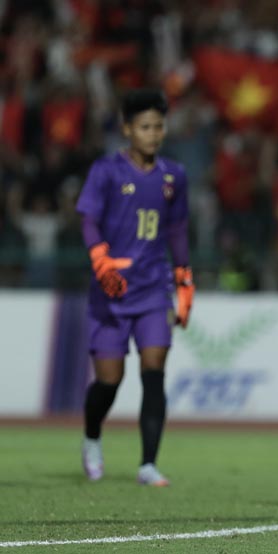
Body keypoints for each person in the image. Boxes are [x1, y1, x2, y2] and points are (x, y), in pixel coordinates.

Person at [77, 89, 194, 487]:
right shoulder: (106, 171)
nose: (153, 133)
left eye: (159, 126)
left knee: (154, 368)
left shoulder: (173, 175)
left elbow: (177, 230)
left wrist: (183, 277)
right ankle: (92, 437)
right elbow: (89, 219)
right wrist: (98, 257)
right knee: (109, 380)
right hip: (109, 291)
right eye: (145, 126)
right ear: (127, 128)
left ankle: (147, 464)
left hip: (151, 291)